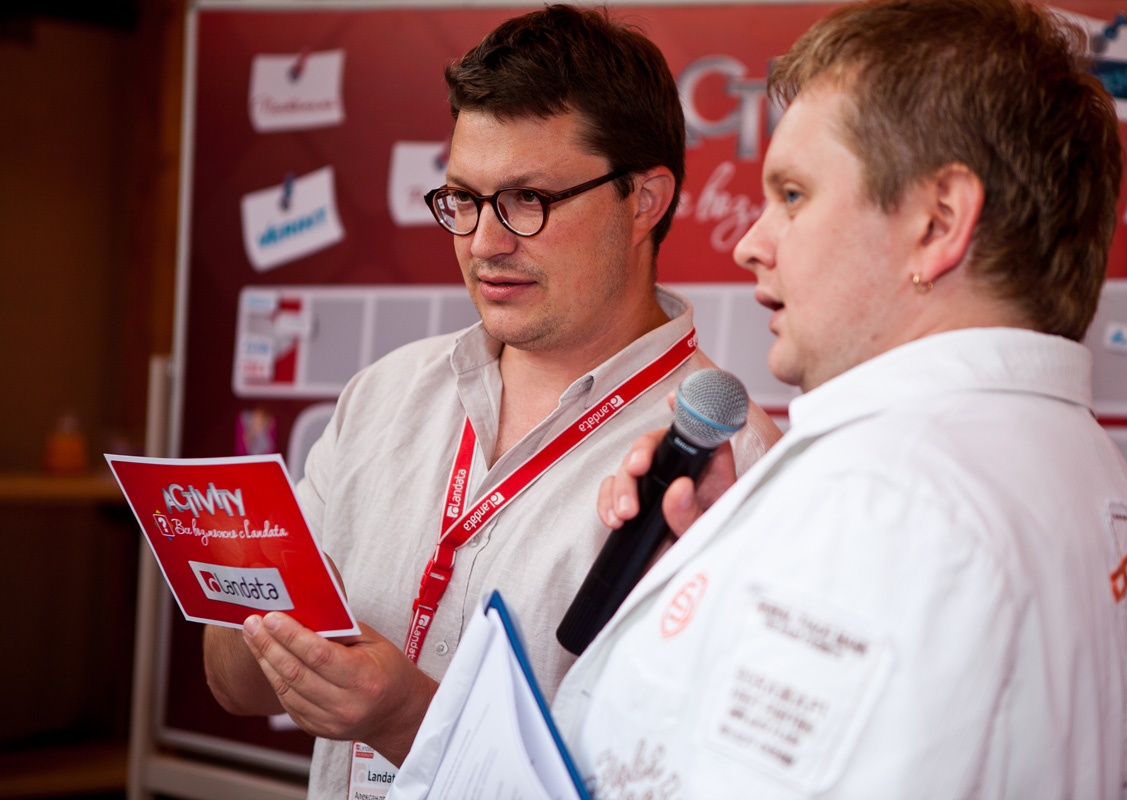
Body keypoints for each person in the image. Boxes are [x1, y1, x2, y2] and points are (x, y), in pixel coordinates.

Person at [557, 0, 1127, 797]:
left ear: (938, 222)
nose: (751, 243)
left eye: (793, 194)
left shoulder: (882, 499)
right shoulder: (1104, 489)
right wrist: (726, 568)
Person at [201, 6, 778, 799]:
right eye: (464, 199)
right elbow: (233, 684)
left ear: (644, 200)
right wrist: (264, 630)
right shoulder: (384, 394)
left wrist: (412, 721)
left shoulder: (729, 470)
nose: (483, 243)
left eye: (527, 200)